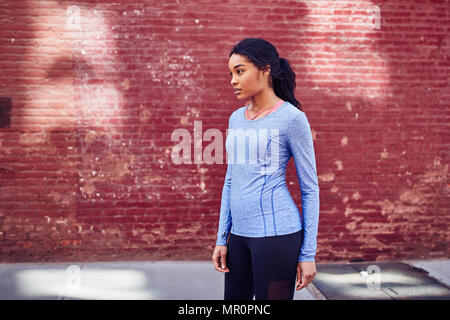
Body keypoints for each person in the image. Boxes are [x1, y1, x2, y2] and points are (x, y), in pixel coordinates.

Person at [211, 38, 320, 300]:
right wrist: (222, 237)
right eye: (231, 73)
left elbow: (309, 188)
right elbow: (231, 179)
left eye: (240, 71)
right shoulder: (236, 118)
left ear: (265, 69)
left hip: (277, 237)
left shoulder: (292, 118)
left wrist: (307, 253)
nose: (233, 80)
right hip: (238, 236)